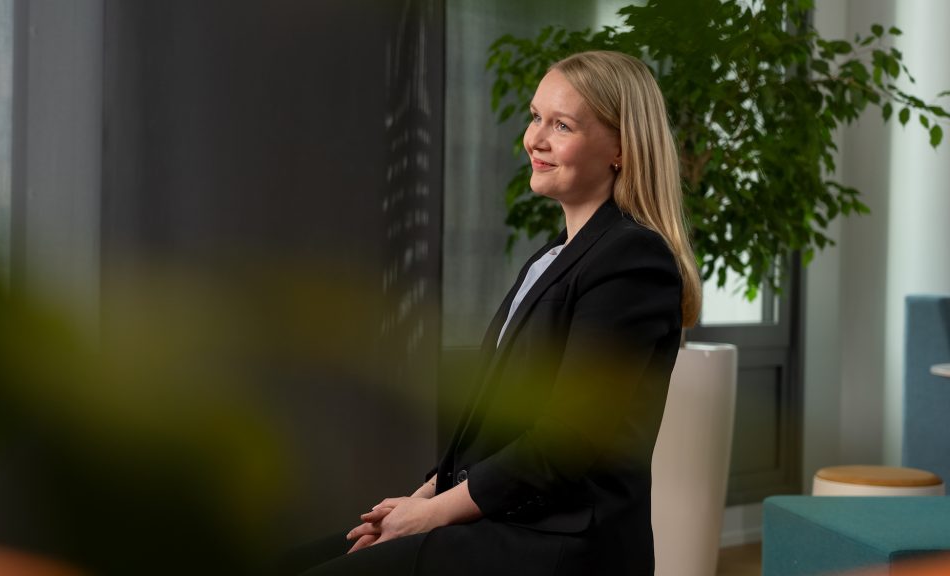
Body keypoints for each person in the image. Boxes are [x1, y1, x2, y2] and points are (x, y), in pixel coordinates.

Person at [292, 50, 701, 576]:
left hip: (558, 544)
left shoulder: (632, 258)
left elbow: (567, 442)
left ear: (621, 147)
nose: (535, 139)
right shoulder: (552, 256)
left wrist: (430, 516)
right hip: (506, 519)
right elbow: (496, 429)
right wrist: (418, 500)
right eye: (536, 117)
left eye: (562, 125)